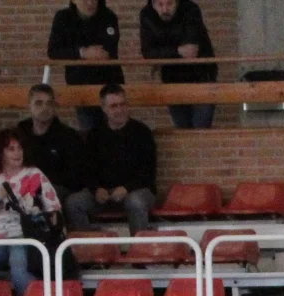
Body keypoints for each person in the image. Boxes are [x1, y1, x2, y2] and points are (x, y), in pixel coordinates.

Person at [0, 128, 62, 296]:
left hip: (25, 234)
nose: (18, 153)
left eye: (20, 148)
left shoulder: (35, 174)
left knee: (20, 268)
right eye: (11, 149)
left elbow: (54, 208)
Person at [65, 85, 157, 233]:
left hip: (137, 191)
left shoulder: (142, 132)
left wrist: (127, 188)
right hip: (104, 194)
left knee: (135, 202)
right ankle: (87, 245)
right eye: (114, 106)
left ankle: (139, 245)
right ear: (104, 108)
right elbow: (86, 169)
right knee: (73, 202)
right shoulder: (95, 134)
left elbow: (149, 173)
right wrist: (96, 189)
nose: (120, 110)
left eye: (123, 104)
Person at [140, 0, 218, 129]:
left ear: (177, 2)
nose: (165, 9)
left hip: (201, 76)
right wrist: (177, 50)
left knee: (201, 131)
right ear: (153, 4)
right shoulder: (147, 14)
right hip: (172, 79)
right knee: (182, 131)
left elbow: (191, 51)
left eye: (169, 4)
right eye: (160, 4)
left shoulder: (190, 9)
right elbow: (147, 53)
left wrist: (162, 51)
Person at [48, 0, 123, 132]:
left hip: (110, 81)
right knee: (90, 131)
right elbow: (54, 51)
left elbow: (108, 49)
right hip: (81, 83)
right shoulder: (63, 18)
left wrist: (94, 53)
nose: (90, 3)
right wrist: (82, 52)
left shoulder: (108, 16)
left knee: (117, 129)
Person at [17, 85, 85, 199]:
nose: (45, 108)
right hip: (24, 185)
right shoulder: (19, 134)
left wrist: (42, 183)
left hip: (58, 188)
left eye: (49, 103)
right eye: (38, 103)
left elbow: (76, 175)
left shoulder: (68, 136)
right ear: (29, 106)